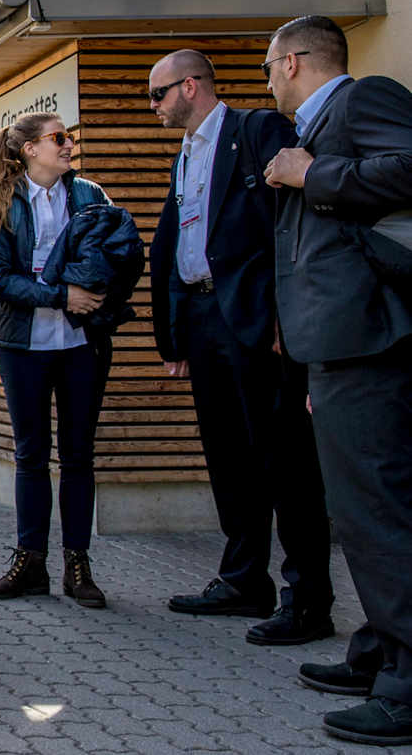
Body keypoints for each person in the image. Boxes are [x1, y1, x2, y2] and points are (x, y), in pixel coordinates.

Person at [145, 49, 333, 644]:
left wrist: (286, 311)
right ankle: (244, 580)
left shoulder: (257, 130)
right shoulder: (185, 155)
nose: (152, 106)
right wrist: (174, 332)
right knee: (228, 456)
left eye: (158, 94)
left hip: (256, 319)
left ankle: (308, 599)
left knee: (284, 458)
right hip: (204, 318)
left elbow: (294, 221)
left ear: (191, 86)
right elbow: (177, 243)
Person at [261, 15, 412, 746]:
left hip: (374, 341)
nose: (267, 83)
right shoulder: (316, 127)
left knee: (379, 515)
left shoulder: (362, 99)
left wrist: (309, 174)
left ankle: (406, 687)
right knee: (358, 515)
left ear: (292, 63)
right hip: (341, 347)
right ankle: (380, 651)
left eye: (267, 69)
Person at [0, 112, 117, 609]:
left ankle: (78, 565)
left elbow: (117, 251)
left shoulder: (90, 195)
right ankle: (30, 563)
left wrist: (98, 290)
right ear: (30, 149)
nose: (69, 144)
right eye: (59, 138)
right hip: (22, 346)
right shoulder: (1, 200)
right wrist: (61, 295)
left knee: (78, 455)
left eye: (69, 136)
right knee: (30, 455)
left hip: (82, 344)